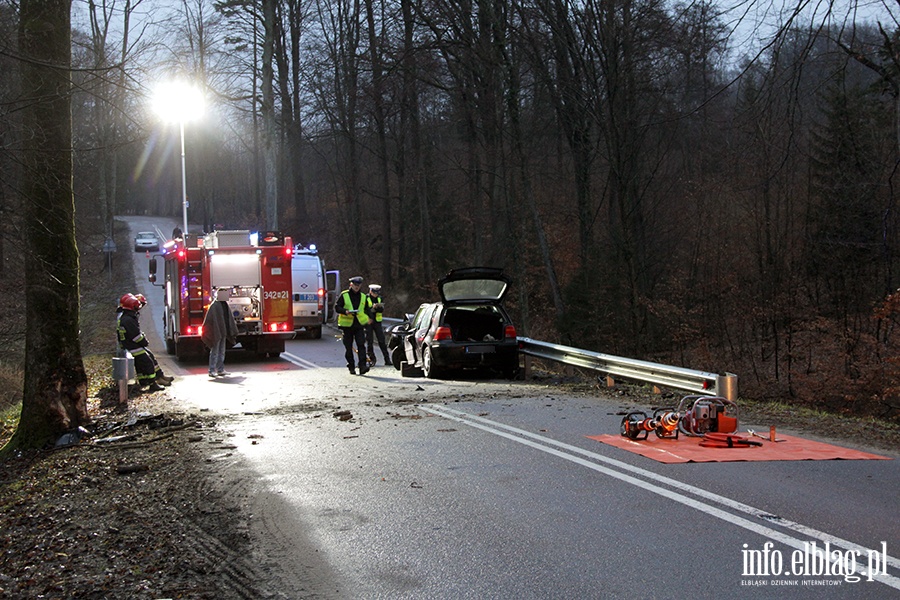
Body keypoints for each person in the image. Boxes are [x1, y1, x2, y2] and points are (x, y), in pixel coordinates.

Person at [116, 293, 174, 392]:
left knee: (150, 357)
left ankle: (158, 377)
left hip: (131, 346)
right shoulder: (128, 320)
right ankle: (153, 383)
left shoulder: (126, 318)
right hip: (133, 347)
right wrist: (144, 341)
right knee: (148, 363)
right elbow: (136, 336)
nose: (138, 309)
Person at [335, 276, 373, 375]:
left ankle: (362, 366)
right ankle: (351, 366)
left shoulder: (363, 296)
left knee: (361, 345)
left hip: (358, 325)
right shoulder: (344, 295)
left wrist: (369, 318)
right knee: (348, 347)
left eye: (358, 285)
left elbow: (366, 309)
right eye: (355, 285)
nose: (357, 287)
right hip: (347, 326)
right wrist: (345, 311)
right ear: (351, 284)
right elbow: (337, 307)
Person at [201, 288, 238, 378]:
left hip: (223, 331)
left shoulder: (224, 304)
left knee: (222, 351)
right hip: (216, 331)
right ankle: (212, 370)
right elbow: (210, 320)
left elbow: (228, 317)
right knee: (215, 351)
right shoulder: (214, 305)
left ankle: (220, 369)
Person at [365, 284, 391, 366]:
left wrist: (377, 307)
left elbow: (381, 309)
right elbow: (364, 309)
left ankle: (387, 359)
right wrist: (372, 308)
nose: (376, 294)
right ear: (370, 291)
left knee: (382, 341)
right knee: (369, 341)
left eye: (377, 293)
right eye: (374, 293)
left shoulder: (380, 298)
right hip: (368, 321)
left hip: (377, 322)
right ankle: (372, 359)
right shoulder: (366, 298)